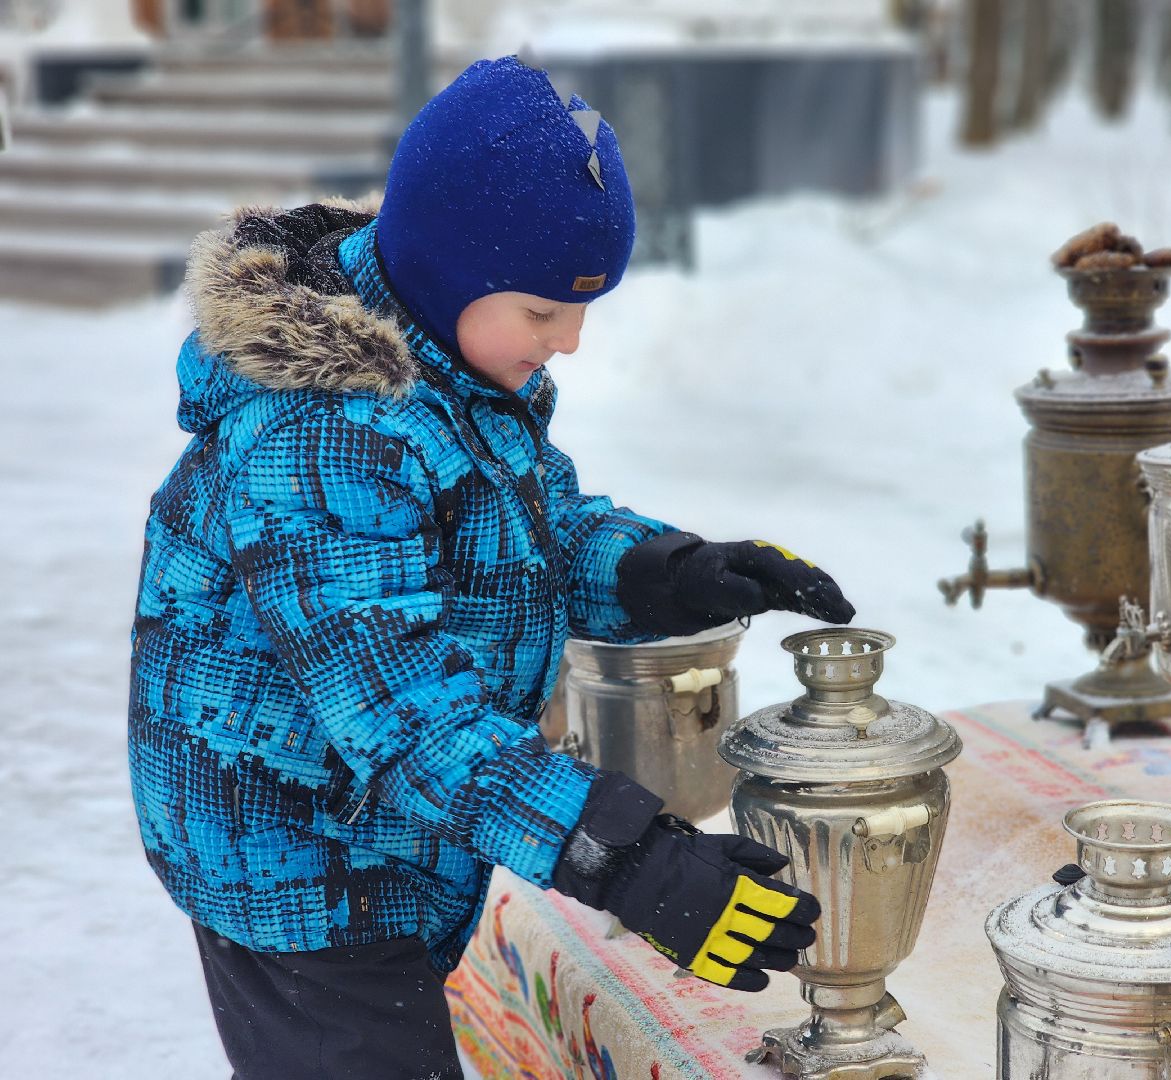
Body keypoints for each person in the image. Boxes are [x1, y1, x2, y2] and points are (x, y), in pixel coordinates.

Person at [128, 56, 855, 1079]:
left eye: (583, 310)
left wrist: (668, 572)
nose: (572, 343)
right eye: (546, 312)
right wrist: (630, 857)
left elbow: (527, 531)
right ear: (446, 267)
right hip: (293, 861)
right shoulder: (319, 433)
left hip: (383, 837)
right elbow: (402, 713)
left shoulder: (444, 363)